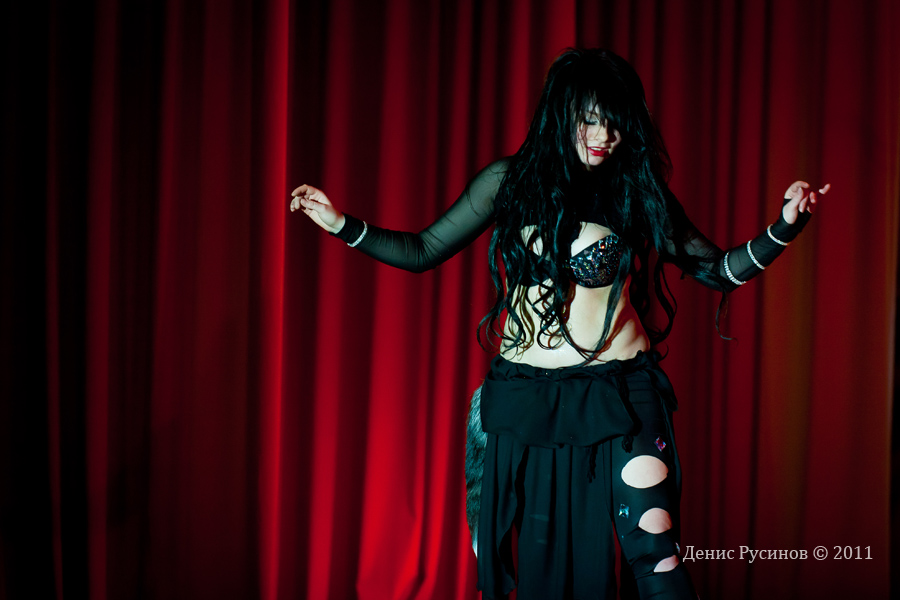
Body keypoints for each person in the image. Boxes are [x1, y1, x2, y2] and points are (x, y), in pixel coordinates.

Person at [290, 48, 829, 600]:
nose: (603, 137)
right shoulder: (509, 182)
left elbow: (717, 270)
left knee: (656, 555)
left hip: (619, 394)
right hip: (526, 399)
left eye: (615, 124)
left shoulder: (637, 192)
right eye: (590, 120)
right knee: (533, 571)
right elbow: (423, 249)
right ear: (562, 113)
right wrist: (340, 223)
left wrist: (783, 228)